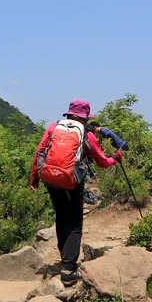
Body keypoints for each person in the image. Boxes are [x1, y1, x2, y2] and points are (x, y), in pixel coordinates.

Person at [30, 100, 122, 284]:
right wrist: (115, 158)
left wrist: (34, 177)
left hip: (50, 178)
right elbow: (102, 162)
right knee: (74, 224)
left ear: (69, 114)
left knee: (61, 215)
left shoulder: (54, 127)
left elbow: (39, 151)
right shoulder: (87, 134)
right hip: (71, 182)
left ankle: (64, 256)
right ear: (85, 117)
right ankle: (68, 269)